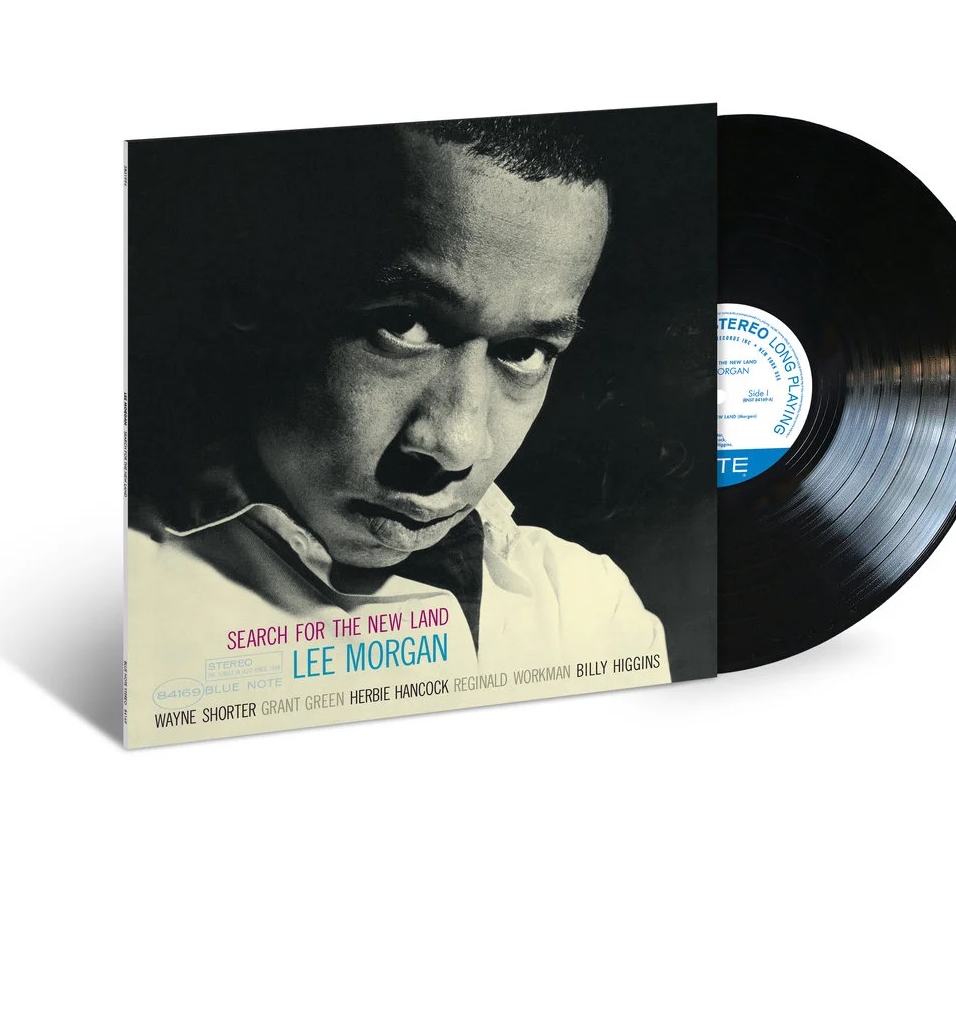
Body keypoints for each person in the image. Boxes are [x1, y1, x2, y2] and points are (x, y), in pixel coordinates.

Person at [126, 116, 669, 743]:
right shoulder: (123, 607)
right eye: (405, 324)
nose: (455, 443)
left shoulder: (588, 612)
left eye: (523, 351)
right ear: (257, 296)